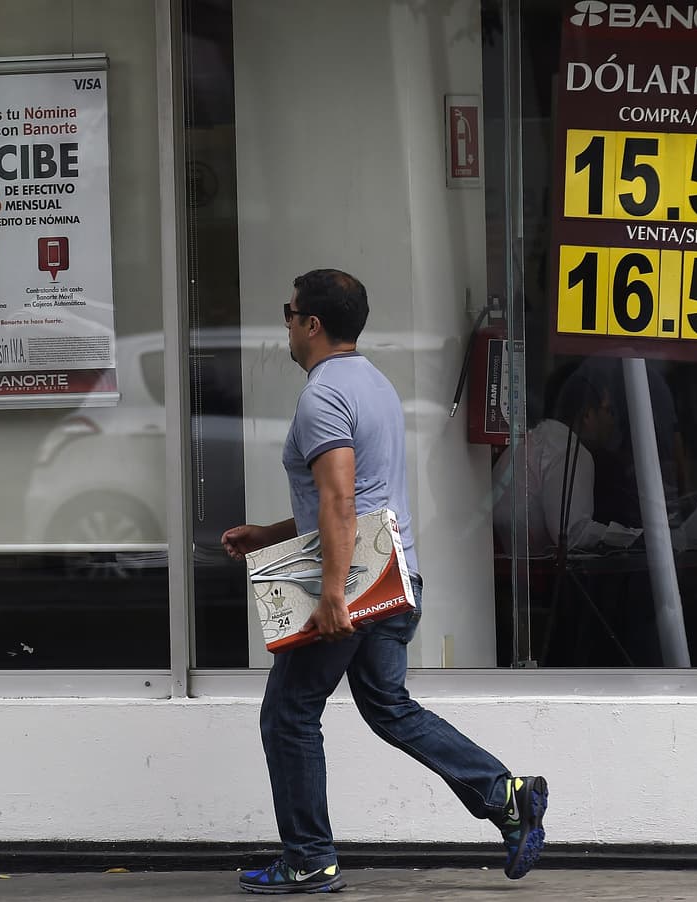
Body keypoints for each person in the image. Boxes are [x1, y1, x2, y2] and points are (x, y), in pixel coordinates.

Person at [222, 269, 548, 894]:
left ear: (311, 324)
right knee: (389, 707)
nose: (286, 324)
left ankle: (309, 858)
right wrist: (270, 533)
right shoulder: (373, 384)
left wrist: (333, 594)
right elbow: (357, 496)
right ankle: (505, 795)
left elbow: (342, 500)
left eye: (289, 313)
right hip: (397, 576)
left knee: (288, 714)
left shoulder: (322, 397)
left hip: (356, 590)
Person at [491, 360, 640, 555]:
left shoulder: (534, 440)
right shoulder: (569, 450)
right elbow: (572, 534)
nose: (612, 421)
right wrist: (633, 539)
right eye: (609, 411)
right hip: (533, 578)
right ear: (587, 415)